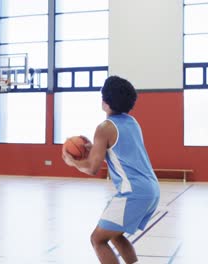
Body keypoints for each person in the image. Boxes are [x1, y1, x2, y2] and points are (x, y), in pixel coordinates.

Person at [62, 76, 160, 264]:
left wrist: (72, 162)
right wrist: (95, 147)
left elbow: (92, 168)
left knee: (97, 239)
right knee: (115, 235)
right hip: (151, 190)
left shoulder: (104, 128)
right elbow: (118, 150)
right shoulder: (132, 122)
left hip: (133, 193)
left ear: (105, 102)